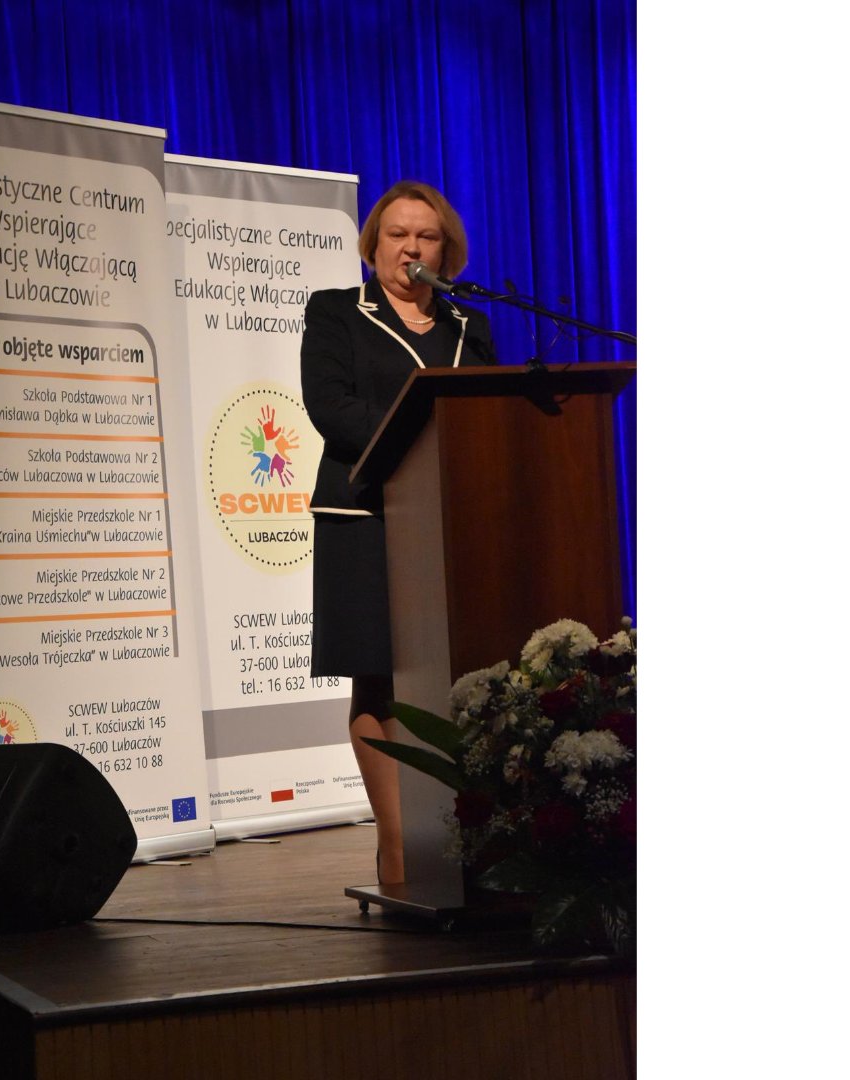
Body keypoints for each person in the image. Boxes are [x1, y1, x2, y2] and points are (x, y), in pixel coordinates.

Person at [300, 180, 497, 885]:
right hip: (367, 516)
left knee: (461, 676)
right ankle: (396, 842)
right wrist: (418, 448)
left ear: (446, 250)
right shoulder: (336, 312)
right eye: (397, 234)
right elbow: (331, 407)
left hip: (453, 519)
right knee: (378, 676)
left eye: (426, 236)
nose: (411, 246)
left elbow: (489, 414)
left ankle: (469, 837)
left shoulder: (469, 325)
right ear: (373, 245)